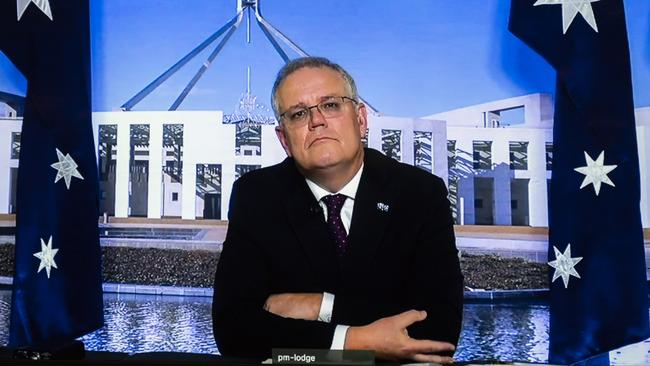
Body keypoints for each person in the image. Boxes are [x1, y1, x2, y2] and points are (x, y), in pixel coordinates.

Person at [212, 57, 463, 364]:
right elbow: (234, 331)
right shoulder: (257, 196)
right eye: (299, 113)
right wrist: (355, 341)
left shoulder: (419, 193)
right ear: (284, 139)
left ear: (361, 119)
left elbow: (437, 334)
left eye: (330, 105)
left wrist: (321, 307)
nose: (316, 121)